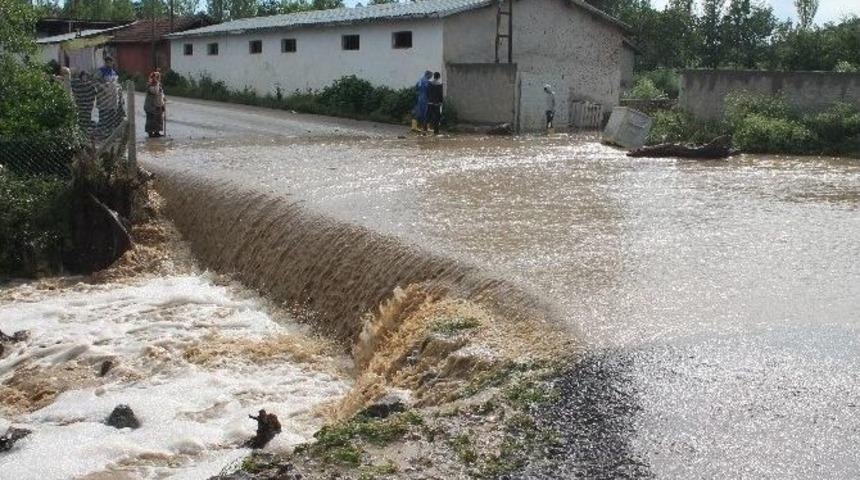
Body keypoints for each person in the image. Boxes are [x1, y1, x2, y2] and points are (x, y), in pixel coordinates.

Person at [144, 71, 166, 138]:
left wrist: (163, 101)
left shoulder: (158, 85)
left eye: (158, 77)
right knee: (151, 120)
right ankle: (150, 133)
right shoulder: (150, 85)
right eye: (157, 77)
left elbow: (160, 94)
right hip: (150, 106)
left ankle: (157, 132)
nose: (158, 78)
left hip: (158, 105)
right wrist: (157, 83)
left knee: (158, 119)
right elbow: (155, 91)